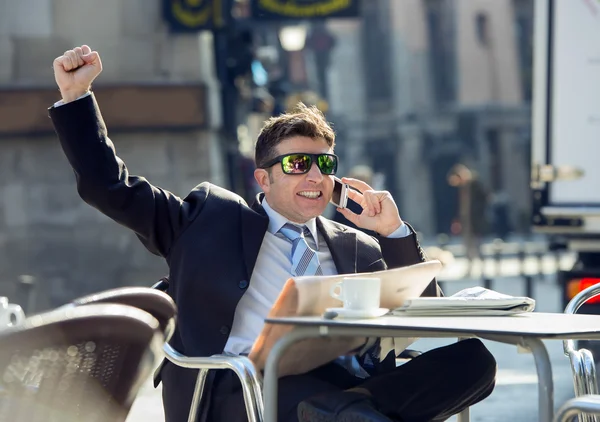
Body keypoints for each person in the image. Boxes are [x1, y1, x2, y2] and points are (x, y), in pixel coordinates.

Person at [50, 46, 496, 422]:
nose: (314, 175)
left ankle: (346, 411)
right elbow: (110, 188)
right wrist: (76, 97)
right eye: (297, 164)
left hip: (347, 380)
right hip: (247, 390)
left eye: (324, 164)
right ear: (263, 180)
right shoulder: (207, 221)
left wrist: (392, 231)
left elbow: (425, 316)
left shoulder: (355, 244)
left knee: (475, 361)